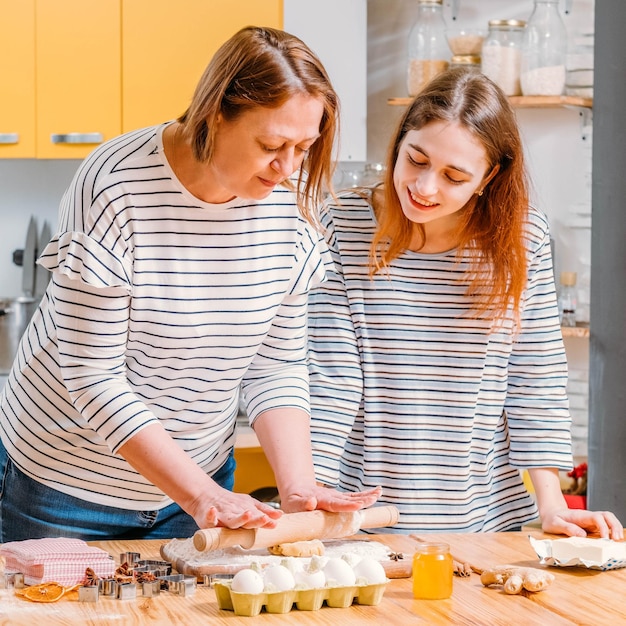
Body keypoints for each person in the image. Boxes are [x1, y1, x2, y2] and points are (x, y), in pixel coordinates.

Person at [0, 26, 379, 543]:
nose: (288, 168)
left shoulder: (292, 204)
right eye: (272, 145)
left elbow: (276, 363)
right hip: (64, 485)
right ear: (214, 113)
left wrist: (298, 487)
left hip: (202, 486)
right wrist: (198, 493)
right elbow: (93, 377)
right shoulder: (115, 185)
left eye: (304, 148)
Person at [307, 67, 623, 539]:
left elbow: (534, 379)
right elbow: (330, 377)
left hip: (486, 523)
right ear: (400, 142)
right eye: (415, 160)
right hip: (361, 522)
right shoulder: (343, 224)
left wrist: (552, 505)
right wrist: (311, 493)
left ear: (489, 177)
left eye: (454, 176)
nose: (425, 187)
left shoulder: (521, 239)